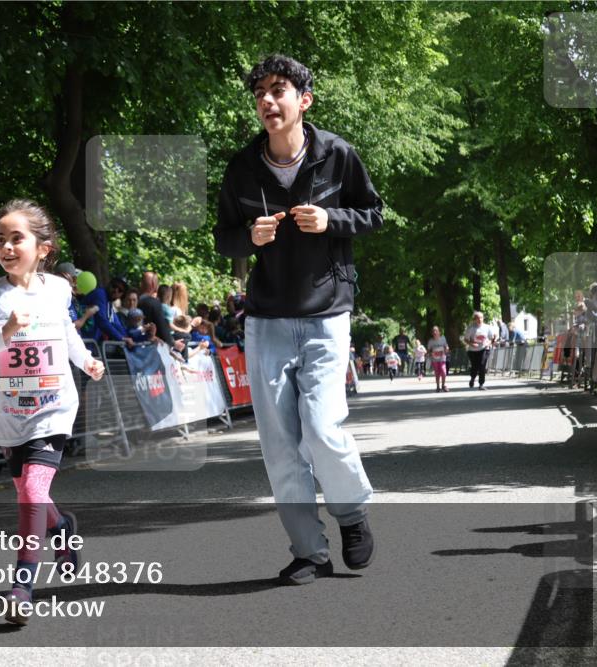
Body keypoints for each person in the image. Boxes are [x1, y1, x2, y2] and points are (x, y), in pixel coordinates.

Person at [213, 53, 381, 585]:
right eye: (260, 92)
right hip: (266, 318)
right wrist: (249, 238)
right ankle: (309, 551)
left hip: (328, 312)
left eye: (278, 90)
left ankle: (351, 514)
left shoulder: (337, 155)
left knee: (323, 426)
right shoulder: (242, 168)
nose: (267, 100)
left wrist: (333, 219)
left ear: (303, 100)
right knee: (279, 442)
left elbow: (374, 214)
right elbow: (223, 237)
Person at [0, 199, 104, 625]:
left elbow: (65, 333)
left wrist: (86, 361)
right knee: (31, 491)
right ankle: (60, 528)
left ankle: (22, 586)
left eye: (16, 238)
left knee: (30, 492)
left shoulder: (58, 289)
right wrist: (6, 331)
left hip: (54, 407)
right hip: (8, 413)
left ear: (42, 248)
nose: (5, 246)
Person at [137, 271, 186, 353]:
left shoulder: (134, 300)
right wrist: (173, 343)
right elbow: (162, 327)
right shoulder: (154, 303)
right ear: (153, 284)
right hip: (154, 347)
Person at [463, 311, 496, 390]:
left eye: (481, 318)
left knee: (482, 365)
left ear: (483, 318)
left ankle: (481, 384)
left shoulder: (487, 327)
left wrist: (491, 342)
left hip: (484, 349)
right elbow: (465, 339)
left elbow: (493, 338)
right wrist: (471, 344)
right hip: (473, 351)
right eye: (477, 318)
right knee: (475, 367)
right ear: (474, 319)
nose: (479, 319)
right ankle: (472, 378)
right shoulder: (471, 328)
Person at [427, 326, 450, 392]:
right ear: (432, 333)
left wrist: (447, 349)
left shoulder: (443, 338)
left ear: (439, 332)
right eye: (433, 331)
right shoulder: (430, 341)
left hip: (442, 358)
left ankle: (443, 385)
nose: (435, 332)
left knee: (443, 371)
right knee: (437, 373)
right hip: (435, 359)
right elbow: (428, 351)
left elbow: (446, 346)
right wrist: (431, 353)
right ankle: (438, 387)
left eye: (436, 331)